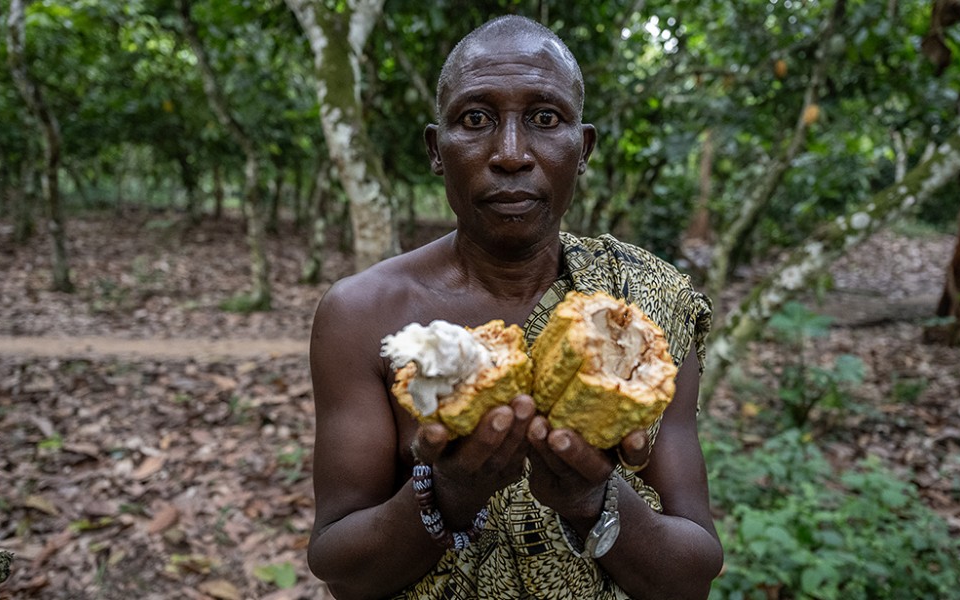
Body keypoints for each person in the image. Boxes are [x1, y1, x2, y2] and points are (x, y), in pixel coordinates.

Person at [307, 14, 721, 599]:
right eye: (475, 119)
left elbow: (692, 575)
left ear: (582, 149)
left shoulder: (641, 311)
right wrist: (447, 494)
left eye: (544, 119)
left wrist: (591, 499)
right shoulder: (364, 314)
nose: (509, 153)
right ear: (436, 149)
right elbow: (340, 566)